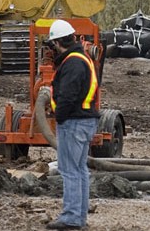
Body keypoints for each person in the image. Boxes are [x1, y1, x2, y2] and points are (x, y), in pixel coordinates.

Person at [45, 19, 100, 230]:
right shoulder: (81, 59)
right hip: (84, 120)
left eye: (52, 45)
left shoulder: (73, 63)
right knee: (80, 170)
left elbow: (68, 95)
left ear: (58, 43)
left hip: (74, 122)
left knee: (69, 170)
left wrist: (59, 115)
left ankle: (71, 217)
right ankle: (79, 216)